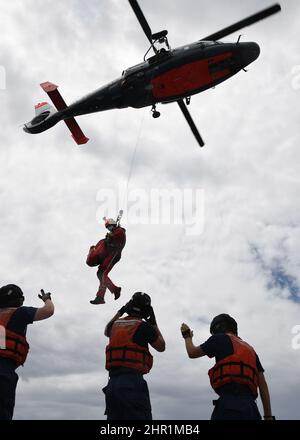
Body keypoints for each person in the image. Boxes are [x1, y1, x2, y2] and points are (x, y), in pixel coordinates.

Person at [181, 314, 275, 420]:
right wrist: (268, 416)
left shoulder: (219, 338)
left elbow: (192, 352)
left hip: (229, 405)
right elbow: (262, 384)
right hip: (251, 409)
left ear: (216, 328)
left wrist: (187, 336)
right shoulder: (251, 350)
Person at [103, 292, 165, 420]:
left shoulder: (116, 325)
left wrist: (120, 311)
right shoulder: (144, 326)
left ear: (129, 306)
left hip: (112, 386)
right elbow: (161, 346)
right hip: (132, 384)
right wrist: (153, 322)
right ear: (146, 310)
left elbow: (106, 330)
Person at [0, 284, 55, 420]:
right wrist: (47, 299)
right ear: (20, 300)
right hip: (3, 372)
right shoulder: (20, 313)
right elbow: (48, 311)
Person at [87, 217, 126, 305]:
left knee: (102, 273)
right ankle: (115, 289)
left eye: (110, 226)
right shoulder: (114, 232)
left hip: (114, 254)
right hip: (109, 255)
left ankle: (100, 297)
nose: (109, 229)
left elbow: (117, 237)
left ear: (113, 225)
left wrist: (110, 237)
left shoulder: (120, 231)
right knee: (100, 273)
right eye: (107, 227)